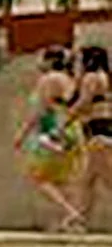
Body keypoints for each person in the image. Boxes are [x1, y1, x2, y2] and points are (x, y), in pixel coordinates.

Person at [17, 45, 87, 233]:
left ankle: (71, 213)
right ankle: (69, 220)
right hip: (71, 129)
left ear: (49, 60)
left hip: (54, 129)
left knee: (39, 177)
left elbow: (41, 111)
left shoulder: (47, 80)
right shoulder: (68, 79)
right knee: (63, 178)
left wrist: (22, 134)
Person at [75, 43, 112, 228]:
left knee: (108, 179)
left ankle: (79, 221)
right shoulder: (105, 77)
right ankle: (79, 220)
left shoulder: (90, 77)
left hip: (97, 131)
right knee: (87, 180)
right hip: (101, 129)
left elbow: (84, 102)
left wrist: (66, 119)